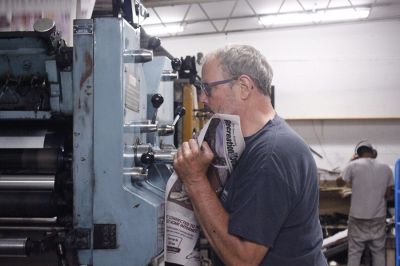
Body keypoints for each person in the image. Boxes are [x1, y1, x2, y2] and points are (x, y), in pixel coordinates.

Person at [173, 44, 327, 266]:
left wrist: (195, 180)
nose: (203, 98)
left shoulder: (271, 155)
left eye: (208, 88)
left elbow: (242, 260)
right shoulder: (251, 145)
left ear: (243, 87)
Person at [336, 141, 394, 266]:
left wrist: (350, 162)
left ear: (357, 154)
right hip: (378, 218)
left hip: (358, 218)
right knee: (378, 252)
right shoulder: (386, 168)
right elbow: (388, 194)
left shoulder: (353, 165)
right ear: (373, 153)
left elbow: (339, 182)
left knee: (355, 253)